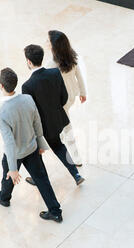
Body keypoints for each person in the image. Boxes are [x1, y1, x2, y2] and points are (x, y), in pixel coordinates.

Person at [0, 67, 63, 223]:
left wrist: (14, 169)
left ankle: (4, 197)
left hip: (15, 154)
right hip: (32, 148)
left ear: (1, 86)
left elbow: (9, 142)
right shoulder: (28, 99)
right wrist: (41, 143)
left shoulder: (1, 113)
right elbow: (37, 123)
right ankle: (55, 211)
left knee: (8, 175)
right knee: (42, 180)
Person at [22, 44, 85, 187]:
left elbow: (30, 112)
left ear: (29, 62)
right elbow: (64, 97)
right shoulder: (55, 73)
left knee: (36, 154)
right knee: (60, 147)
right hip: (58, 119)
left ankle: (38, 179)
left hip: (42, 126)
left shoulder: (27, 86)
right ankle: (76, 173)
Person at [46, 30, 87, 166]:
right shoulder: (71, 55)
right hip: (71, 96)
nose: (46, 42)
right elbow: (79, 75)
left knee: (67, 126)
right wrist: (83, 92)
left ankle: (76, 158)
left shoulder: (51, 65)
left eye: (48, 41)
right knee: (65, 121)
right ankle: (63, 135)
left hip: (61, 100)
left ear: (54, 46)